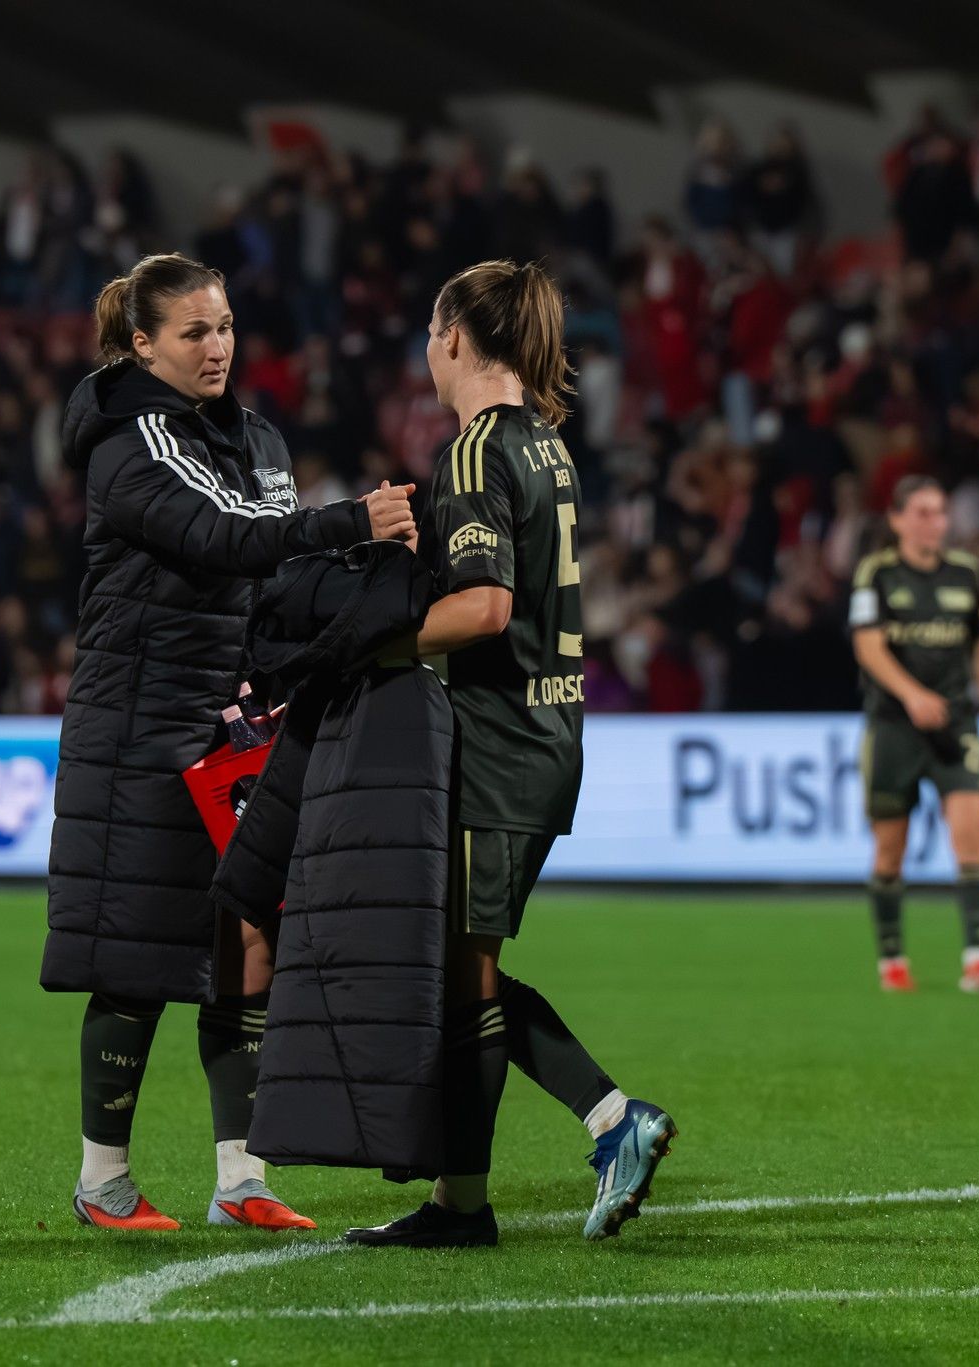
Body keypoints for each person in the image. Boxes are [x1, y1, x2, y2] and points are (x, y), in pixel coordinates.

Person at [40, 253, 415, 1231]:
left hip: (230, 728)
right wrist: (351, 520)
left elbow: (273, 573)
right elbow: (226, 535)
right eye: (194, 332)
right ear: (142, 344)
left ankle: (241, 1179)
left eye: (226, 326)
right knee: (134, 958)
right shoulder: (131, 441)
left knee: (246, 948)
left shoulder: (257, 437)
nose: (218, 347)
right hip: (137, 730)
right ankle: (102, 1182)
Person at [345, 261, 674, 1249]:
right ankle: (462, 1201)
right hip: (545, 731)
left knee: (465, 970)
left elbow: (485, 608)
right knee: (463, 968)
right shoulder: (546, 443)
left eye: (429, 331)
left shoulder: (477, 447)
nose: (426, 350)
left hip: (497, 743)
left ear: (453, 337)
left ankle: (610, 1119)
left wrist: (373, 644)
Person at [849, 476, 979, 993]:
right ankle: (892, 960)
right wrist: (912, 696)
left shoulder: (967, 573)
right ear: (897, 519)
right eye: (921, 512)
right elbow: (868, 646)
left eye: (940, 512)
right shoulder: (876, 573)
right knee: (890, 851)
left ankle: (978, 958)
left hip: (955, 723)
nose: (933, 523)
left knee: (971, 835)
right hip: (894, 728)